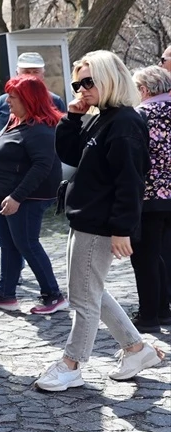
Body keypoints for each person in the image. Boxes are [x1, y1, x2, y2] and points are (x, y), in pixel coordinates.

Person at [37, 52, 163, 390]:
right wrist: (72, 117)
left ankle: (71, 363)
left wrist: (123, 228)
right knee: (89, 291)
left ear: (109, 78)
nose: (81, 89)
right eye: (78, 83)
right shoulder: (103, 117)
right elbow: (71, 154)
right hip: (87, 218)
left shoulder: (124, 122)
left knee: (83, 298)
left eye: (88, 82)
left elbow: (131, 180)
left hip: (100, 223)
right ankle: (136, 348)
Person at [0, 52, 68, 287]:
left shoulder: (48, 110)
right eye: (25, 71)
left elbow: (46, 158)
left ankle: (50, 292)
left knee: (24, 241)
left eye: (35, 72)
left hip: (25, 188)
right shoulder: (6, 103)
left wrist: (18, 195)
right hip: (1, 184)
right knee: (0, 234)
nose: (30, 76)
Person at [130, 66, 171, 332]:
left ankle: (149, 315)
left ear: (144, 90)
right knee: (164, 253)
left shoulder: (141, 115)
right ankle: (163, 309)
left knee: (145, 255)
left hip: (150, 196)